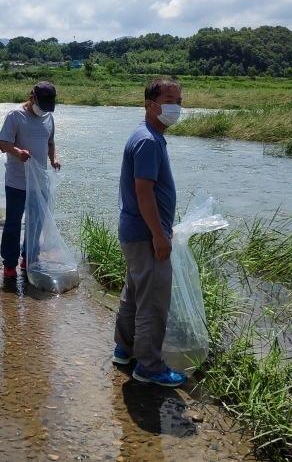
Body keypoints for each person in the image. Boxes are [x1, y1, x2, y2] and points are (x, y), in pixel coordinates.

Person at [111, 77, 187, 387]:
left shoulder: (148, 136)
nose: (175, 107)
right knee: (153, 301)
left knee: (134, 293)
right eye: (169, 100)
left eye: (179, 101)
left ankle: (125, 349)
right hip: (145, 235)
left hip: (136, 232)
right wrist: (159, 235)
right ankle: (149, 366)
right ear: (149, 104)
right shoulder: (148, 141)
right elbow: (144, 192)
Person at [0, 81, 61, 289]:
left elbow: (50, 142)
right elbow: (3, 143)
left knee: (36, 223)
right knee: (13, 224)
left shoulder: (48, 117)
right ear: (32, 97)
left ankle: (29, 259)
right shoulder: (15, 116)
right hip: (17, 181)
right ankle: (9, 264)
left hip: (39, 181)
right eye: (41, 105)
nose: (43, 111)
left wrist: (53, 159)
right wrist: (18, 153)